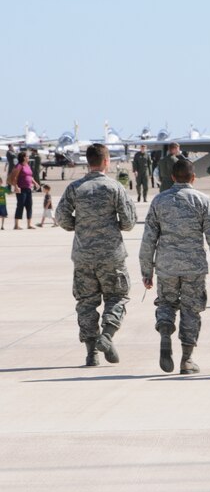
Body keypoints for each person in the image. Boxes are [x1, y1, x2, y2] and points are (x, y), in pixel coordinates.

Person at [139, 159, 210, 375]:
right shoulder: (203, 201)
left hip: (166, 265)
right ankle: (186, 360)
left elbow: (148, 239)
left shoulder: (159, 201)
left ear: (173, 178)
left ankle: (166, 329)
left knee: (166, 303)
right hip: (193, 267)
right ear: (193, 178)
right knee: (191, 310)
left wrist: (146, 271)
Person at [55, 144, 137, 366]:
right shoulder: (114, 188)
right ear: (106, 161)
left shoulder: (75, 188)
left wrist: (80, 226)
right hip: (111, 254)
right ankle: (107, 335)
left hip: (83, 254)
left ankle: (92, 352)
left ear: (88, 162)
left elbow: (61, 217)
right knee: (117, 296)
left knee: (86, 302)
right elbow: (129, 222)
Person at [10, 151, 40, 229]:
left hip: (28, 188)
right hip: (21, 189)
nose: (28, 157)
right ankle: (16, 225)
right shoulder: (19, 166)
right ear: (24, 157)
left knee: (29, 206)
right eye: (27, 156)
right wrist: (16, 187)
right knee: (20, 206)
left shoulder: (27, 165)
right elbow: (14, 177)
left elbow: (30, 176)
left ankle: (29, 224)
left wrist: (35, 183)